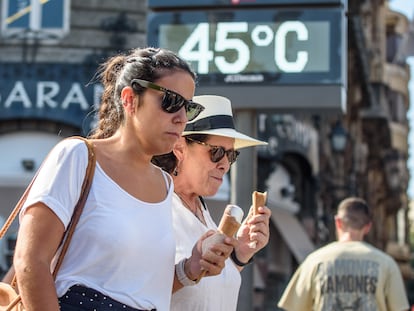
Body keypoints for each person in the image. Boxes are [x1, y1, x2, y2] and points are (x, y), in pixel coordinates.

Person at [12, 48, 235, 311]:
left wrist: (191, 266)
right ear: (129, 99)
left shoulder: (164, 184)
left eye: (189, 107)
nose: (181, 118)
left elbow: (141, 289)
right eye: (171, 102)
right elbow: (30, 262)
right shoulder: (79, 157)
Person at [152, 95, 271, 311]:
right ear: (179, 148)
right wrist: (188, 270)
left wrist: (239, 254)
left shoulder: (202, 212)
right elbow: (136, 287)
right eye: (216, 152)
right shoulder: (155, 204)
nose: (225, 164)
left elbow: (210, 288)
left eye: (231, 155)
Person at [278, 197, 410, 311]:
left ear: (338, 222)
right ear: (368, 226)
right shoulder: (386, 264)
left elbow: (293, 307)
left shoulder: (314, 261)